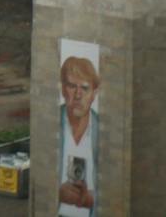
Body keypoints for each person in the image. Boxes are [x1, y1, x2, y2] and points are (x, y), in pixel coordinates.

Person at [58, 55, 101, 215]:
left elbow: (116, 187)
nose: (78, 95)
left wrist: (89, 199)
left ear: (94, 93)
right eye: (71, 86)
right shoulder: (50, 121)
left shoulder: (102, 129)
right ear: (62, 89)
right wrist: (57, 193)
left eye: (84, 88)